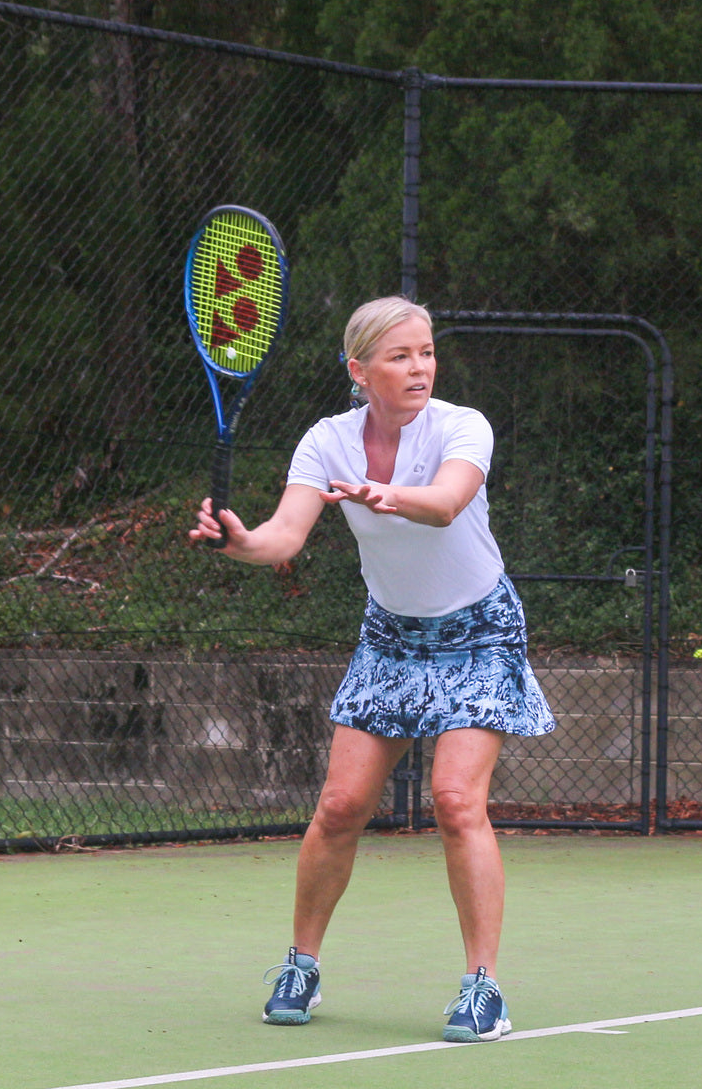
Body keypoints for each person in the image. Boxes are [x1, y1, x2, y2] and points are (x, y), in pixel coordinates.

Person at [189, 295, 555, 1043]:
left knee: (456, 801)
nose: (419, 367)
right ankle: (301, 965)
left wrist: (389, 495)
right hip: (390, 633)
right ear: (360, 371)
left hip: (480, 630)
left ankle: (484, 988)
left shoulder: (462, 426)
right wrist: (236, 540)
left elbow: (449, 502)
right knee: (338, 806)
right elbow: (282, 538)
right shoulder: (326, 442)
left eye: (425, 352)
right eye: (400, 356)